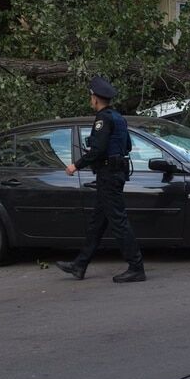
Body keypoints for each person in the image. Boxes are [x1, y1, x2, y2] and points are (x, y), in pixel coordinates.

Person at [56, 76, 146, 283]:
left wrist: (75, 166)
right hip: (116, 173)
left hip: (108, 175)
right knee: (97, 222)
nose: (91, 100)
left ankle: (136, 266)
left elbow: (98, 150)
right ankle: (79, 265)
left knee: (119, 222)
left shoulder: (103, 119)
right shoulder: (119, 118)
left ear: (95, 98)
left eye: (91, 97)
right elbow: (128, 147)